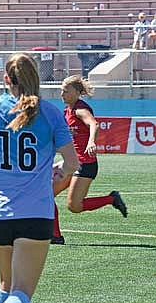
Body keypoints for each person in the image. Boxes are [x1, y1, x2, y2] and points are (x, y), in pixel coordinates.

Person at [0, 53, 79, 303]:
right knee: (21, 291)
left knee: (6, 282)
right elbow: (72, 162)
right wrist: (60, 169)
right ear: (36, 78)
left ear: (6, 79)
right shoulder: (51, 113)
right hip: (36, 212)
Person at [51, 75, 127, 244]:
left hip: (85, 164)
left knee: (74, 206)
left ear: (77, 92)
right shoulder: (67, 111)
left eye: (66, 91)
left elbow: (94, 124)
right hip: (71, 163)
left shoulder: (80, 109)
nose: (62, 94)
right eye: (61, 90)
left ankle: (111, 199)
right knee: (46, 196)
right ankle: (55, 236)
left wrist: (92, 141)